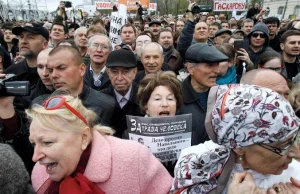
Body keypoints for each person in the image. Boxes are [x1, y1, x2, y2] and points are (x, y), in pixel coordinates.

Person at [27, 94, 172, 194]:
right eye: (34, 144)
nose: (35, 157)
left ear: (83, 137)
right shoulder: (40, 174)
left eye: (47, 142)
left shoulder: (133, 158)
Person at [171, 84, 300, 194]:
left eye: (294, 139)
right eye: (282, 146)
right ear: (239, 147)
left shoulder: (294, 173)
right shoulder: (196, 165)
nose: (294, 153)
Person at [37, 45, 115, 126]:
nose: (53, 75)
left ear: (81, 69)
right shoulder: (39, 106)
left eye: (61, 68)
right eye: (51, 70)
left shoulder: (106, 106)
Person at [180, 43, 228, 145]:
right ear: (190, 68)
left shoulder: (224, 96)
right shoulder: (175, 98)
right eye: (210, 65)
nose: (217, 71)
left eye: (217, 65)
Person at [136, 71, 182, 176]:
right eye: (157, 99)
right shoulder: (129, 135)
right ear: (145, 106)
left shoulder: (191, 136)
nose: (165, 104)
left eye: (170, 99)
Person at [101, 49, 144, 138]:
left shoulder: (145, 98)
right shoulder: (100, 100)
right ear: (108, 72)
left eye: (125, 71)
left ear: (135, 72)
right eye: (114, 72)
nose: (120, 78)